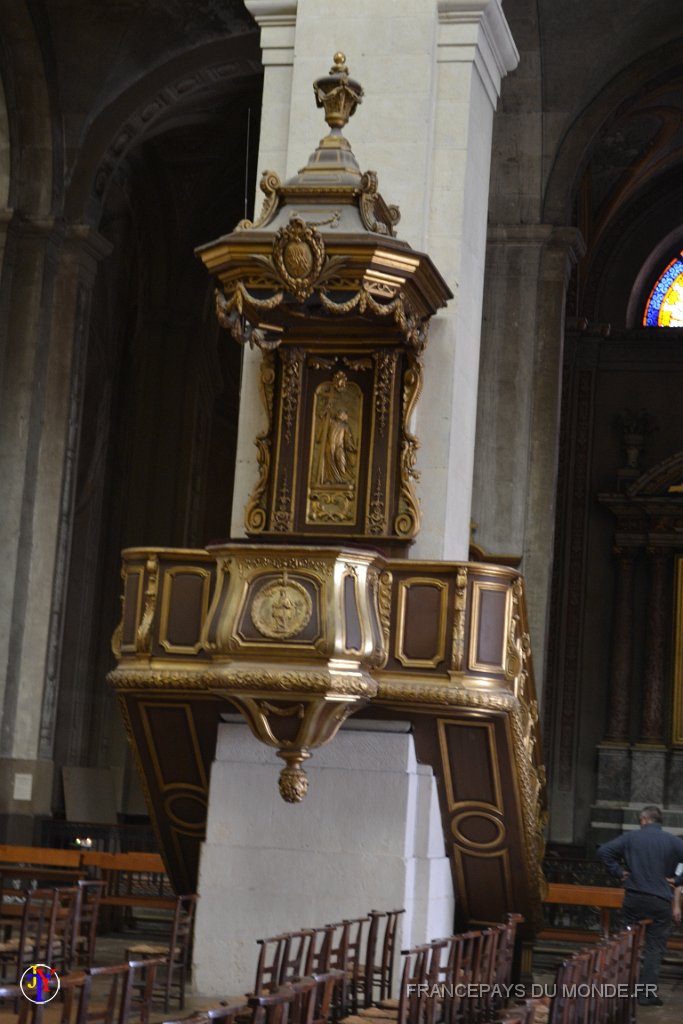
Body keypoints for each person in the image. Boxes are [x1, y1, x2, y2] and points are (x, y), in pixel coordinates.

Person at [597, 805, 683, 1006]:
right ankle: (646, 995)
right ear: (658, 821)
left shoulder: (631, 838)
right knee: (654, 948)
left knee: (627, 943)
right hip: (659, 900)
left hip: (634, 898)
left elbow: (604, 851)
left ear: (644, 819)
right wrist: (678, 880)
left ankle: (621, 990)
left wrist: (619, 872)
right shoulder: (672, 841)